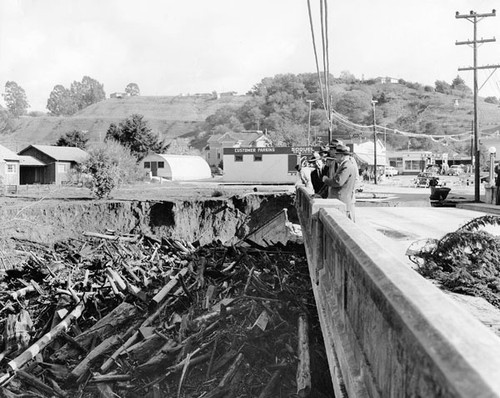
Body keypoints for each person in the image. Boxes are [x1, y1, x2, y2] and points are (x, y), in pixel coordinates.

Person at [322, 143, 358, 221]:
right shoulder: (344, 165)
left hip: (341, 202)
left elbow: (338, 182)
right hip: (339, 201)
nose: (335, 157)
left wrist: (326, 180)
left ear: (342, 156)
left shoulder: (346, 166)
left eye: (337, 155)